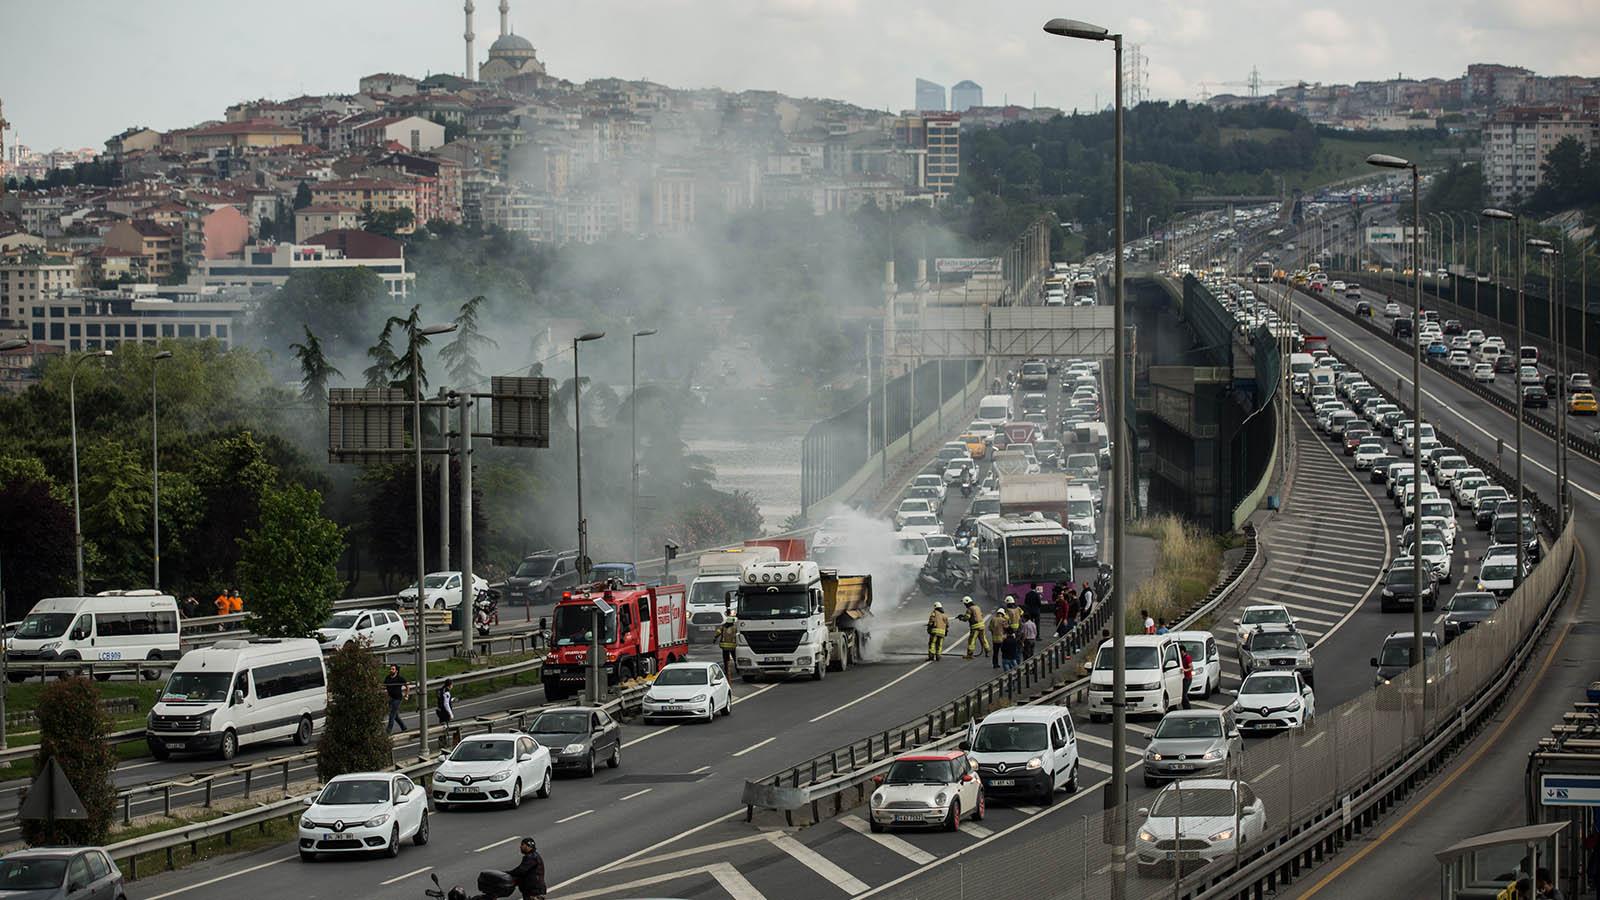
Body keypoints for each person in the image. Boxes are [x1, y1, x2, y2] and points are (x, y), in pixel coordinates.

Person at [507, 836, 547, 900]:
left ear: (528, 846)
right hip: (532, 889)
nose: (520, 847)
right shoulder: (533, 856)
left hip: (533, 890)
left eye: (522, 844)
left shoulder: (531, 857)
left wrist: (507, 873)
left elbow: (521, 870)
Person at [384, 664, 408, 733]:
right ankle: (404, 727)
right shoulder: (387, 678)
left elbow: (407, 686)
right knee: (395, 715)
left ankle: (388, 731)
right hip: (390, 698)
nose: (391, 670)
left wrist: (406, 695)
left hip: (397, 699)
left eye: (393, 669)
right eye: (391, 669)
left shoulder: (399, 678)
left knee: (392, 714)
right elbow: (385, 686)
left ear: (396, 671)